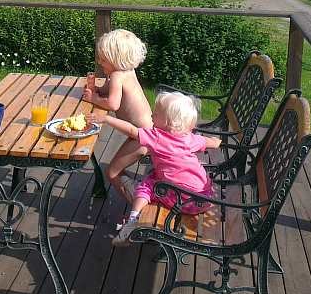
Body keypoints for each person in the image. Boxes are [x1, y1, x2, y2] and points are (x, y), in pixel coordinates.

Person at [90, 92, 221, 247]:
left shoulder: (157, 136)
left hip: (182, 200)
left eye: (156, 113)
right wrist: (217, 141)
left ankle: (133, 220)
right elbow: (211, 143)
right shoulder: (190, 138)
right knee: (156, 175)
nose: (152, 114)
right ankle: (136, 208)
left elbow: (132, 131)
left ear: (168, 122)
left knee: (147, 186)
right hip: (203, 198)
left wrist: (106, 118)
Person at [82, 29, 153, 202]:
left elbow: (113, 104)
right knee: (115, 169)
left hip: (142, 138)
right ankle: (137, 191)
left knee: (112, 172)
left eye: (103, 59)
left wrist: (94, 98)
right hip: (144, 132)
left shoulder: (116, 76)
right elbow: (108, 91)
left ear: (116, 60)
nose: (99, 62)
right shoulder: (125, 72)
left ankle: (135, 209)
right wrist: (96, 90)